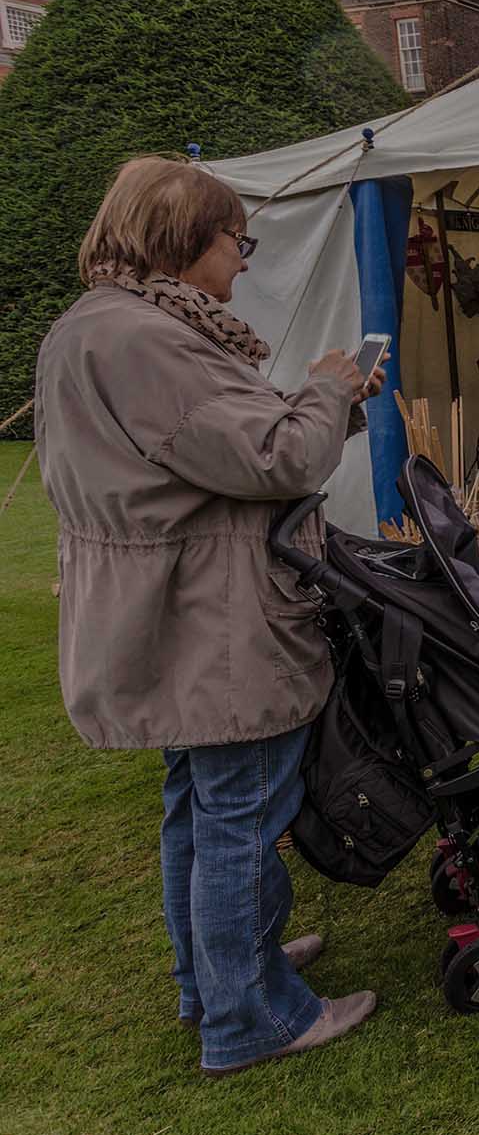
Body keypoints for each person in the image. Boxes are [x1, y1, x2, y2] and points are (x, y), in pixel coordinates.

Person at [35, 156, 383, 1076]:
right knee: (238, 814)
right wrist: (330, 387)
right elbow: (274, 460)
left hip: (169, 608)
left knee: (199, 806)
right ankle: (248, 1014)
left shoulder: (101, 328)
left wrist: (329, 410)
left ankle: (220, 974)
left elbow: (208, 457)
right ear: (186, 236)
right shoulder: (145, 338)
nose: (243, 261)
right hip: (208, 615)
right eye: (238, 240)